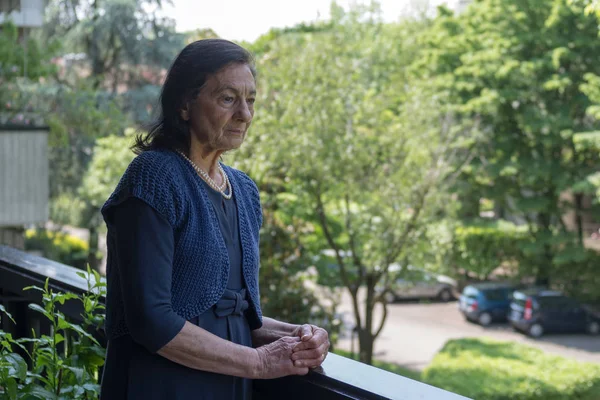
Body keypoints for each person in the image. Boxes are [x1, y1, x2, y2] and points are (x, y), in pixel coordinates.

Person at [99, 39, 330, 400]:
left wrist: (300, 335)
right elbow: (151, 320)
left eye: (250, 99)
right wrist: (259, 363)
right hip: (159, 385)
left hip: (228, 383)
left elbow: (233, 316)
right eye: (227, 98)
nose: (245, 114)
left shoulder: (243, 190)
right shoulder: (154, 177)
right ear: (184, 105)